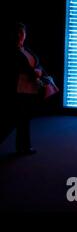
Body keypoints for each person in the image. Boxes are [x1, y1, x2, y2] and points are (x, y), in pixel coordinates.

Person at [3, 22, 41, 155]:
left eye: (22, 32)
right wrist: (34, 73)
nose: (20, 35)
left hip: (30, 88)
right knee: (18, 119)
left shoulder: (27, 49)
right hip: (18, 89)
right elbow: (16, 68)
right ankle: (22, 147)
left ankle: (24, 146)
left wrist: (39, 72)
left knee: (25, 119)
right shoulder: (11, 51)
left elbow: (37, 63)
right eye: (18, 32)